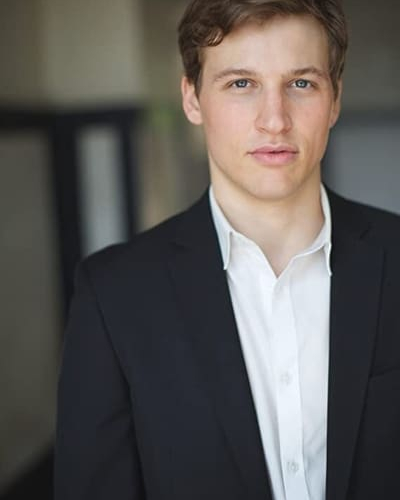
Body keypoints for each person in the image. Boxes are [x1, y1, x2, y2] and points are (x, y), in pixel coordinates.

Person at [54, 1, 400, 499]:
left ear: (335, 99)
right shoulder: (114, 296)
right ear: (192, 99)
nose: (274, 120)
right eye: (241, 83)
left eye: (301, 83)